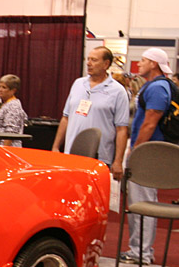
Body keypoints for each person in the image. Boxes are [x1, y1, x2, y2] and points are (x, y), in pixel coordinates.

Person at [120, 48, 175, 264]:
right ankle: (139, 250)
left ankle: (141, 252)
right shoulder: (155, 87)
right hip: (147, 151)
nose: (138, 64)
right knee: (139, 200)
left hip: (148, 153)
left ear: (154, 64)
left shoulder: (158, 87)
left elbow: (151, 121)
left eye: (142, 61)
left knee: (143, 201)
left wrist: (137, 149)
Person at [51, 46, 129, 178]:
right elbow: (66, 117)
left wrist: (118, 161)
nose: (88, 63)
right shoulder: (78, 83)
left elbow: (121, 129)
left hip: (99, 157)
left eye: (94, 60)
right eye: (88, 59)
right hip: (72, 155)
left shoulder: (118, 91)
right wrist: (55, 147)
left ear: (106, 64)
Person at [0, 74, 28, 147]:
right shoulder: (7, 104)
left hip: (8, 147)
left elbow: (10, 132)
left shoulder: (13, 106)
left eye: (4, 87)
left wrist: (5, 150)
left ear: (13, 90)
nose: (0, 89)